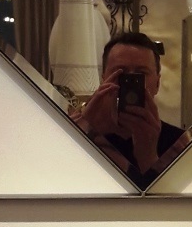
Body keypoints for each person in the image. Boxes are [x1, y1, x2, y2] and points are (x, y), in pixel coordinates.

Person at [71, 32, 184, 188]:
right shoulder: (79, 128)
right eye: (120, 72)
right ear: (104, 80)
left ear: (157, 83)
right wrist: (84, 133)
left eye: (141, 74)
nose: (129, 82)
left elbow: (176, 201)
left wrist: (149, 157)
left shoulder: (178, 143)